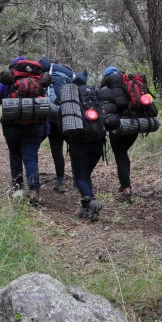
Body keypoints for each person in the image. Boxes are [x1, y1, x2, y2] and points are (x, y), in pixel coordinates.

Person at [0, 56, 51, 205]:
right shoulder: (38, 82)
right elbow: (43, 106)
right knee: (30, 157)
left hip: (12, 127)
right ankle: (34, 192)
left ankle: (17, 191)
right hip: (35, 127)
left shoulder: (7, 83)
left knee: (15, 156)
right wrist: (47, 128)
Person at [100, 66, 158, 203]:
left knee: (120, 156)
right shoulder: (129, 85)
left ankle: (126, 190)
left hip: (120, 126)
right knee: (124, 154)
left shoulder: (108, 89)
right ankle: (125, 184)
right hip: (135, 125)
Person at [65, 77, 107, 221]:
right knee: (85, 175)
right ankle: (86, 208)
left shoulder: (70, 104)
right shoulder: (96, 99)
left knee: (80, 177)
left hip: (79, 144)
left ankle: (91, 202)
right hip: (98, 143)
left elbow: (62, 126)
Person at [46, 62, 83, 193]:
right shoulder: (70, 74)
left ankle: (60, 181)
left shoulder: (49, 72)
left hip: (53, 118)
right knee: (74, 149)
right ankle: (79, 181)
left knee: (57, 151)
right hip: (69, 116)